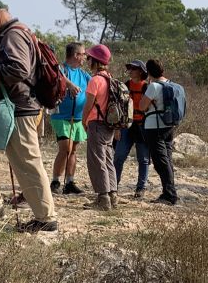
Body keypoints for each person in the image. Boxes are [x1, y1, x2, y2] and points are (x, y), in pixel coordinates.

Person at [0, 0, 59, 232]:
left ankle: (46, 218)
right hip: (7, 110)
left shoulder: (14, 35)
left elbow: (18, 69)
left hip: (18, 109)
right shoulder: (10, 35)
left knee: (27, 162)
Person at [136, 59, 179, 205]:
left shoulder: (153, 86)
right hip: (169, 125)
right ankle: (170, 191)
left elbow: (142, 106)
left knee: (160, 161)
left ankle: (169, 194)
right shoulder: (173, 85)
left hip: (154, 127)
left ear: (148, 72)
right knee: (167, 159)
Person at [81, 44, 119, 211]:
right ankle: (113, 196)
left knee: (97, 161)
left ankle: (103, 199)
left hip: (96, 124)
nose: (88, 60)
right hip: (109, 125)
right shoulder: (111, 79)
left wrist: (83, 121)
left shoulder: (95, 80)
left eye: (89, 58)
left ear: (95, 61)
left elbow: (88, 105)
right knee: (108, 160)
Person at [50, 42, 90, 196]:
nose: (85, 57)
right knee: (65, 148)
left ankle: (70, 182)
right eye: (83, 54)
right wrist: (70, 85)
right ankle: (55, 181)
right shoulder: (61, 69)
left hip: (78, 118)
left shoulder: (83, 73)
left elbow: (94, 84)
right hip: (61, 116)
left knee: (73, 150)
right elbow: (57, 76)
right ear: (76, 55)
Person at [114, 60, 152, 198]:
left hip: (142, 126)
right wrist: (117, 128)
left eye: (133, 68)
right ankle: (113, 186)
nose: (130, 70)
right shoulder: (125, 85)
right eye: (129, 68)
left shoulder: (147, 87)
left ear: (141, 71)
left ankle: (141, 189)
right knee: (119, 157)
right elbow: (119, 108)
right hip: (126, 126)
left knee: (143, 159)